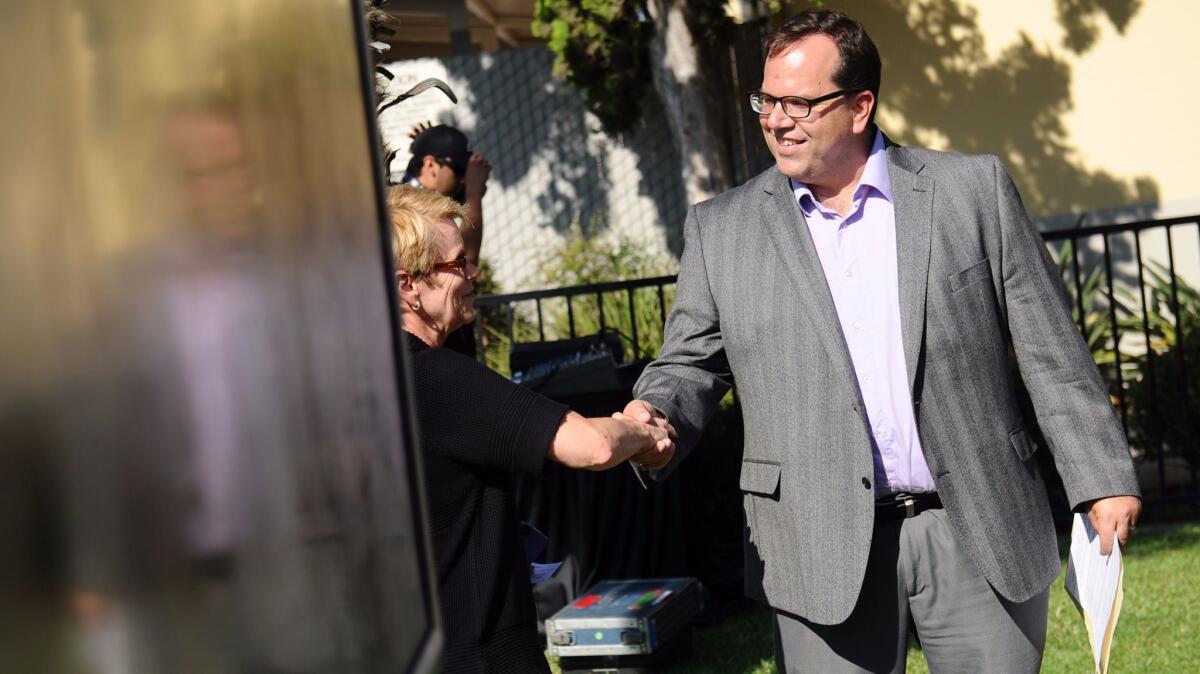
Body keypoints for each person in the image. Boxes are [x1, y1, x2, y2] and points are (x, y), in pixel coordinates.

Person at [622, 9, 1140, 673]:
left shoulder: (970, 192)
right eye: (766, 99)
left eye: (798, 103)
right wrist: (652, 414)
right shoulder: (721, 231)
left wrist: (1100, 477)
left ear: (860, 105)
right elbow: (689, 364)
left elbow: (1052, 353)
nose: (776, 119)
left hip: (976, 523)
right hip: (818, 541)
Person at [388, 185, 674, 673]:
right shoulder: (435, 379)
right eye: (459, 264)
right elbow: (591, 446)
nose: (474, 272)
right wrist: (641, 432)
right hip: (478, 653)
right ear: (408, 287)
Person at [400, 123, 491, 359]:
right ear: (430, 164)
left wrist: (433, 139)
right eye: (460, 169)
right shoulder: (412, 212)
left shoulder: (418, 200)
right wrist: (472, 195)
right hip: (432, 354)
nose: (464, 179)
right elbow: (465, 259)